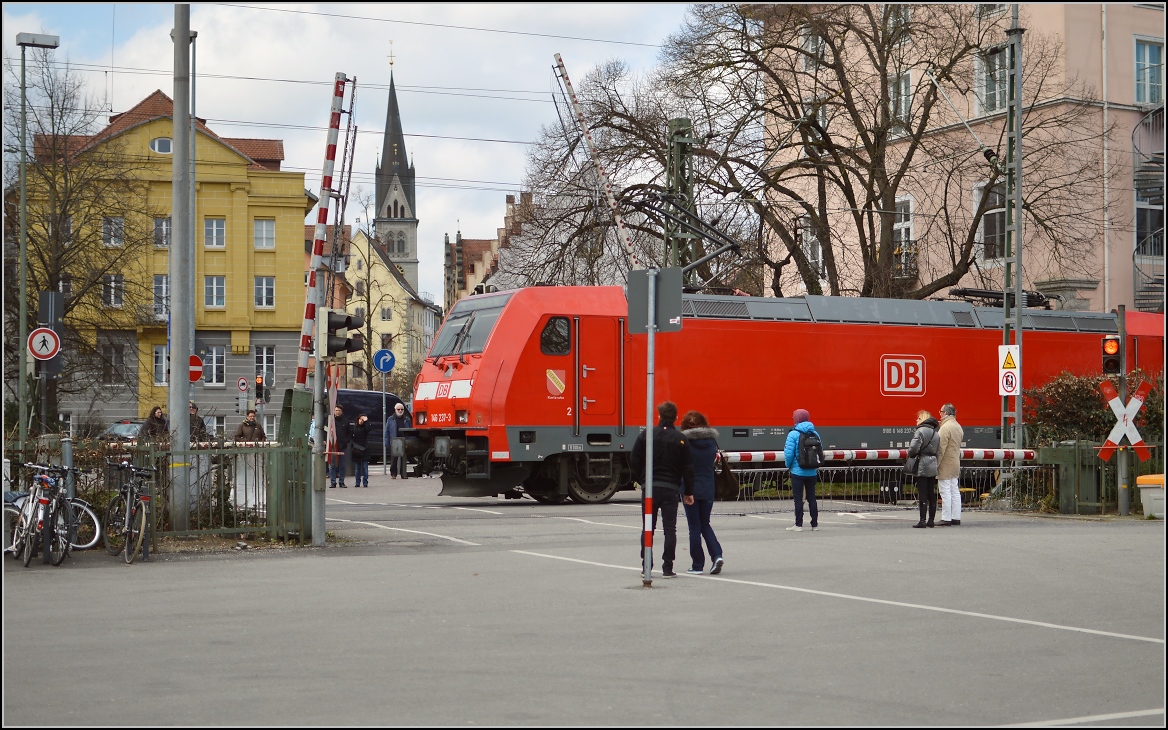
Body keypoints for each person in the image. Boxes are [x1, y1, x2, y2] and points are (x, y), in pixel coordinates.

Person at [630, 401, 695, 578]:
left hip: (650, 490)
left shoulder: (646, 435)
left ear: (659, 416)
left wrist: (642, 480)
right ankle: (667, 567)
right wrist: (688, 492)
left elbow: (634, 459)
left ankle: (646, 566)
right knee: (670, 529)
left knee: (648, 528)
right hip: (670, 489)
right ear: (676, 417)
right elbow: (688, 468)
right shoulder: (681, 439)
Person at [680, 410, 724, 575]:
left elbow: (682, 467)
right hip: (708, 487)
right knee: (705, 524)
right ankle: (717, 555)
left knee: (694, 527)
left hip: (689, 489)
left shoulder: (684, 442)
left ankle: (697, 565)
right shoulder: (712, 441)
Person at [784, 408, 822, 532]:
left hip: (797, 471)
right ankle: (814, 525)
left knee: (798, 498)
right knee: (812, 498)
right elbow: (819, 452)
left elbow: (788, 454)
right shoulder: (815, 434)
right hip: (812, 471)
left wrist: (789, 466)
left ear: (797, 419)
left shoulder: (793, 434)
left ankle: (798, 524)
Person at [908, 409, 941, 528]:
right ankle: (931, 520)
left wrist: (911, 454)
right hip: (932, 463)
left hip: (922, 463)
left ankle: (922, 520)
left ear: (923, 419)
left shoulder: (920, 431)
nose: (916, 420)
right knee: (931, 492)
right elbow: (938, 450)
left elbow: (913, 449)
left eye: (918, 418)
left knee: (922, 492)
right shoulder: (935, 433)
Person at [937, 403, 964, 526]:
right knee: (954, 490)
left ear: (946, 413)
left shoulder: (945, 428)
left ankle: (946, 518)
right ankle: (956, 517)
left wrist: (936, 464)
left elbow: (941, 448)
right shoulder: (957, 426)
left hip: (945, 463)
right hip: (955, 462)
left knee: (945, 491)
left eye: (941, 412)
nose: (940, 414)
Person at [387, 402, 412, 479]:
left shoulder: (407, 419)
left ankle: (403, 473)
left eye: (402, 409)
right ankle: (393, 474)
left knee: (403, 458)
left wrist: (410, 441)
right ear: (395, 410)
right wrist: (387, 443)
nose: (400, 411)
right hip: (395, 440)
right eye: (398, 409)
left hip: (404, 440)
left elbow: (410, 431)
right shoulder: (390, 419)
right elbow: (387, 431)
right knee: (394, 458)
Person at [329, 404, 352, 488]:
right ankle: (333, 482)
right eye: (336, 410)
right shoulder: (331, 421)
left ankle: (341, 482)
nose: (337, 412)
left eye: (339, 410)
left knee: (342, 465)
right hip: (333, 446)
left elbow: (350, 433)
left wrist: (346, 441)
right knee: (332, 465)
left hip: (342, 446)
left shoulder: (345, 421)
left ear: (341, 412)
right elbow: (326, 431)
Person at [351, 413, 372, 488]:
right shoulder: (354, 427)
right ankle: (357, 482)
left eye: (363, 420)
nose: (361, 421)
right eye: (360, 419)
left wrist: (366, 421)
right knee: (357, 468)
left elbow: (369, 429)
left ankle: (365, 482)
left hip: (364, 448)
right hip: (356, 449)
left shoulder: (365, 427)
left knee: (365, 467)